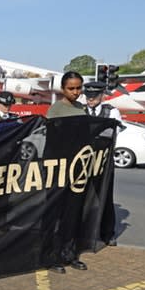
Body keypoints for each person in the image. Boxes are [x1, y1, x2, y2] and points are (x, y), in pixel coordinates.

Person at [43, 71, 88, 273]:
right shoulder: (55, 110)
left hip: (78, 171)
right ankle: (50, 257)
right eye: (71, 88)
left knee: (73, 213)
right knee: (56, 215)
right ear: (63, 89)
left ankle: (69, 254)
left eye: (79, 88)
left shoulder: (82, 108)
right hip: (58, 171)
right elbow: (51, 143)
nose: (76, 92)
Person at [83, 81, 122, 247]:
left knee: (104, 196)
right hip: (84, 159)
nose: (90, 100)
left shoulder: (112, 111)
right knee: (81, 196)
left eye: (94, 97)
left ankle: (107, 233)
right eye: (88, 97)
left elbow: (113, 133)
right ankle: (82, 231)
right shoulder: (81, 110)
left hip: (104, 160)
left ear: (101, 96)